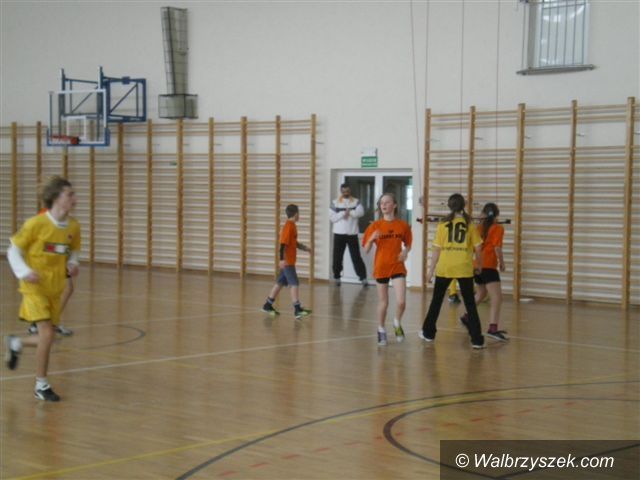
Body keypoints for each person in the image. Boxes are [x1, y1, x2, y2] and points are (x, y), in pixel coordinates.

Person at [4, 176, 81, 401]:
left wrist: (73, 263)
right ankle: (41, 385)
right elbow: (13, 250)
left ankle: (16, 343)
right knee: (47, 334)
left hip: (55, 288)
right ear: (56, 198)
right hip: (33, 287)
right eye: (70, 194)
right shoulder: (35, 224)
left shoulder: (73, 226)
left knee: (49, 338)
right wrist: (24, 272)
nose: (75, 199)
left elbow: (74, 249)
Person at [419, 193, 485, 349]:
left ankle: (428, 333)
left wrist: (430, 271)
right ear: (464, 206)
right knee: (470, 305)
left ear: (449, 206)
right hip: (464, 267)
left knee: (436, 302)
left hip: (445, 267)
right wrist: (479, 265)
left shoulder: (442, 225)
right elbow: (478, 248)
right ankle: (477, 340)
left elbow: (436, 250)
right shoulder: (470, 225)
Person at [362, 193, 412, 346]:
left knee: (401, 302)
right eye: (381, 203)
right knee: (384, 302)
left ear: (394, 205)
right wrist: (371, 238)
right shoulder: (375, 226)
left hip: (397, 266)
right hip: (381, 266)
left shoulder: (403, 225)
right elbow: (366, 250)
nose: (383, 205)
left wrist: (405, 251)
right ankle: (381, 329)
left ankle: (397, 322)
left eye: (387, 202)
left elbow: (408, 244)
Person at [460, 202, 508, 341]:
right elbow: (497, 248)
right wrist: (502, 263)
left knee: (481, 293)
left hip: (477, 265)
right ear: (496, 215)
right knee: (497, 298)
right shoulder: (498, 228)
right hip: (488, 266)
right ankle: (493, 329)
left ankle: (467, 316)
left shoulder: (478, 228)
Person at [28, 208, 74, 336]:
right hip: (47, 260)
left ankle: (46, 323)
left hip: (56, 259)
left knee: (65, 289)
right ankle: (44, 324)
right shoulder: (46, 215)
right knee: (63, 289)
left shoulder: (61, 216)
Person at [261, 204, 313, 319]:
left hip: (288, 261)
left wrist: (305, 248)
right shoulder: (288, 226)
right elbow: (282, 244)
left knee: (280, 283)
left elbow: (294, 242)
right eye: (299, 213)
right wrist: (282, 259)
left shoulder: (292, 226)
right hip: (287, 261)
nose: (299, 215)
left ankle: (267, 305)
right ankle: (297, 309)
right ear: (296, 214)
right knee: (294, 283)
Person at [329, 183, 368, 286]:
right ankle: (337, 277)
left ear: (350, 191)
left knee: (356, 257)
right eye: (344, 191)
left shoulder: (356, 201)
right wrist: (343, 213)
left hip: (352, 234)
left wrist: (349, 212)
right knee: (337, 257)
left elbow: (360, 213)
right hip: (339, 234)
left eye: (347, 191)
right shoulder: (335, 202)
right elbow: (333, 218)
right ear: (341, 191)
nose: (346, 193)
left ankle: (363, 278)